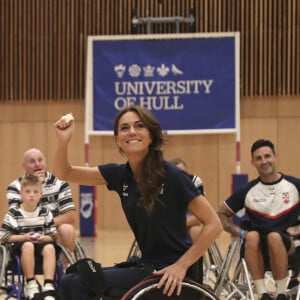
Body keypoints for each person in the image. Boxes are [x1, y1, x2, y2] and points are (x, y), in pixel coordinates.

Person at [53, 105, 223, 299]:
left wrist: (181, 265)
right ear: (118, 140)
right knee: (72, 278)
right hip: (147, 268)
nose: (132, 131)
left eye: (139, 126)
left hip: (174, 276)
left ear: (150, 136)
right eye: (124, 128)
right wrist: (63, 141)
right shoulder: (120, 175)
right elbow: (64, 172)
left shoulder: (173, 176)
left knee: (78, 284)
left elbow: (214, 224)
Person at [217, 139, 300, 300]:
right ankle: (263, 294)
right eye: (259, 158)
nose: (264, 161)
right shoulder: (248, 190)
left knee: (274, 237)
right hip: (257, 249)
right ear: (253, 162)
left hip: (288, 245)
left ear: (275, 156)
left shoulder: (294, 185)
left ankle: (281, 293)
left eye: (267, 156)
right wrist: (239, 232)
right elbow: (220, 214)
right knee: (251, 235)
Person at [6, 148, 76, 255]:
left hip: (52, 230)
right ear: (24, 166)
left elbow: (70, 217)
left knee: (67, 229)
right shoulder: (15, 187)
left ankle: (66, 268)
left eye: (40, 160)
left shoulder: (60, 184)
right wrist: (36, 186)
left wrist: (45, 224)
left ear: (45, 163)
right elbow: (16, 218)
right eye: (32, 161)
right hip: (25, 231)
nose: (37, 164)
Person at [0, 173, 59, 300]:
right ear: (21, 194)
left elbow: (53, 235)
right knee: (28, 245)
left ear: (40, 194)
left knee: (50, 247)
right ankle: (31, 283)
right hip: (21, 246)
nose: (31, 194)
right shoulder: (14, 213)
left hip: (41, 244)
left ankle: (48, 285)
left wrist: (44, 238)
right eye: (27, 191)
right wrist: (24, 237)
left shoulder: (45, 212)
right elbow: (4, 236)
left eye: (35, 191)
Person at [168, 157, 205, 242]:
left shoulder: (195, 182)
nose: (180, 177)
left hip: (186, 222)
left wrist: (176, 224)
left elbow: (199, 218)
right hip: (169, 224)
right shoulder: (162, 184)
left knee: (195, 231)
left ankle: (196, 255)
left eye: (183, 173)